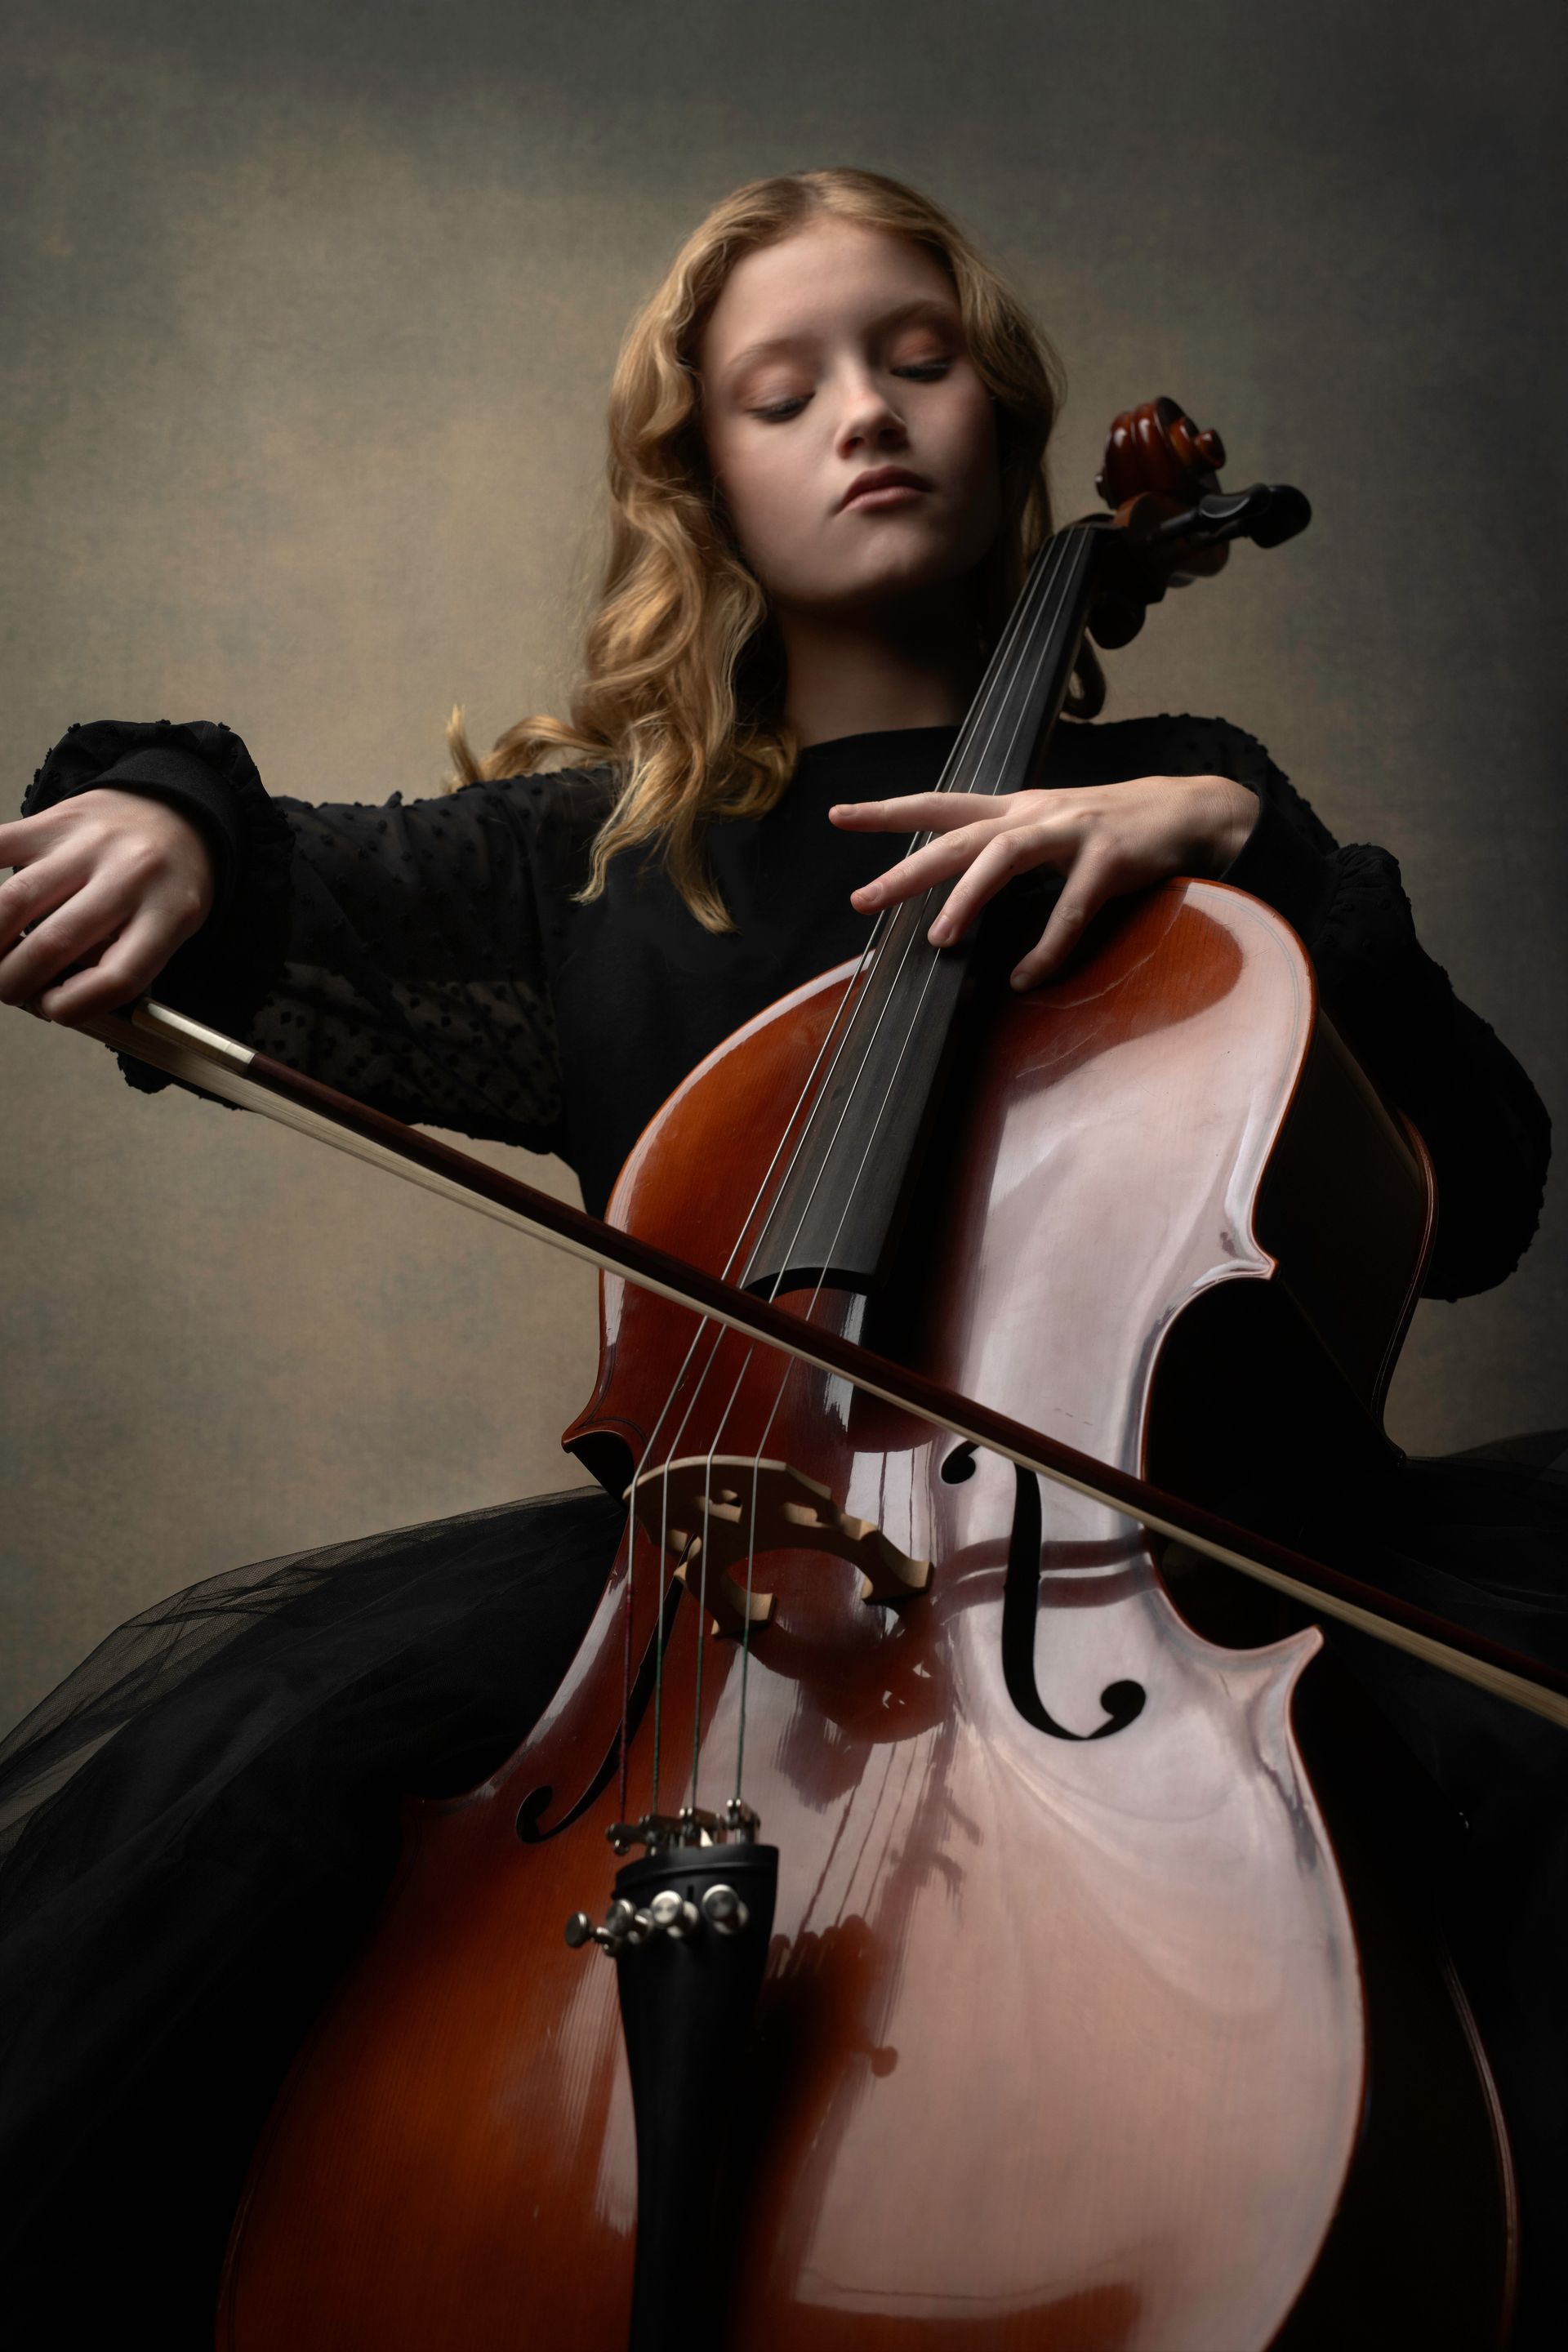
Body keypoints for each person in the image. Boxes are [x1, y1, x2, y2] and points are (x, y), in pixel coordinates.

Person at [0, 167, 1561, 2347]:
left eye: (916, 361)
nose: (864, 413)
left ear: (1010, 428)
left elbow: (1481, 1188)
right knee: (255, 1839)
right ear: (702, 481)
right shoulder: (605, 859)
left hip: (1160, 1587)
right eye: (784, 387)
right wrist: (162, 813)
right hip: (701, 1614)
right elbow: (263, 873)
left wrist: (1245, 846)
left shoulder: (1184, 804)